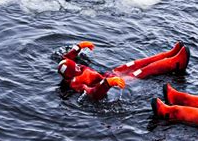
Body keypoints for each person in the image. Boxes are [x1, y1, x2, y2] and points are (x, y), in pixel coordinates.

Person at [57, 41, 190, 101]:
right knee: (142, 72)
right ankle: (176, 63)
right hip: (112, 83)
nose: (78, 66)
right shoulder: (76, 84)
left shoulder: (70, 69)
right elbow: (93, 94)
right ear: (70, 75)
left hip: (110, 74)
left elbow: (66, 58)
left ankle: (169, 54)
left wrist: (79, 47)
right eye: (75, 68)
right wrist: (108, 83)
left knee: (136, 63)